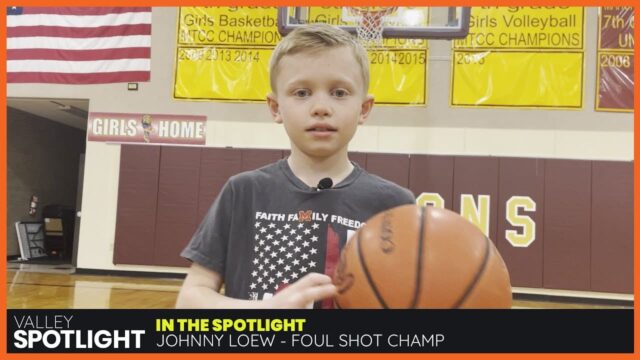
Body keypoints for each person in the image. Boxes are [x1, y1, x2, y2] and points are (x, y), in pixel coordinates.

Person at [176, 23, 415, 309]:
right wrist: (267, 311)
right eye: (302, 93)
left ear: (363, 109)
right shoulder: (244, 192)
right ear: (275, 107)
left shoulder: (394, 204)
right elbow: (190, 299)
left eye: (339, 93)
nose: (321, 107)